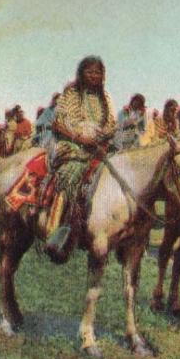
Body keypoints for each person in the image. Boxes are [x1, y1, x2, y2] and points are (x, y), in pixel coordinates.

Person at [45, 56, 117, 259]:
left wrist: (104, 136)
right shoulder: (71, 94)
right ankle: (58, 231)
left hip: (98, 147)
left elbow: (112, 124)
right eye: (90, 71)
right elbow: (57, 123)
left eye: (98, 72)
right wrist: (80, 137)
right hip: (72, 146)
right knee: (71, 176)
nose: (95, 75)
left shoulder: (107, 98)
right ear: (81, 73)